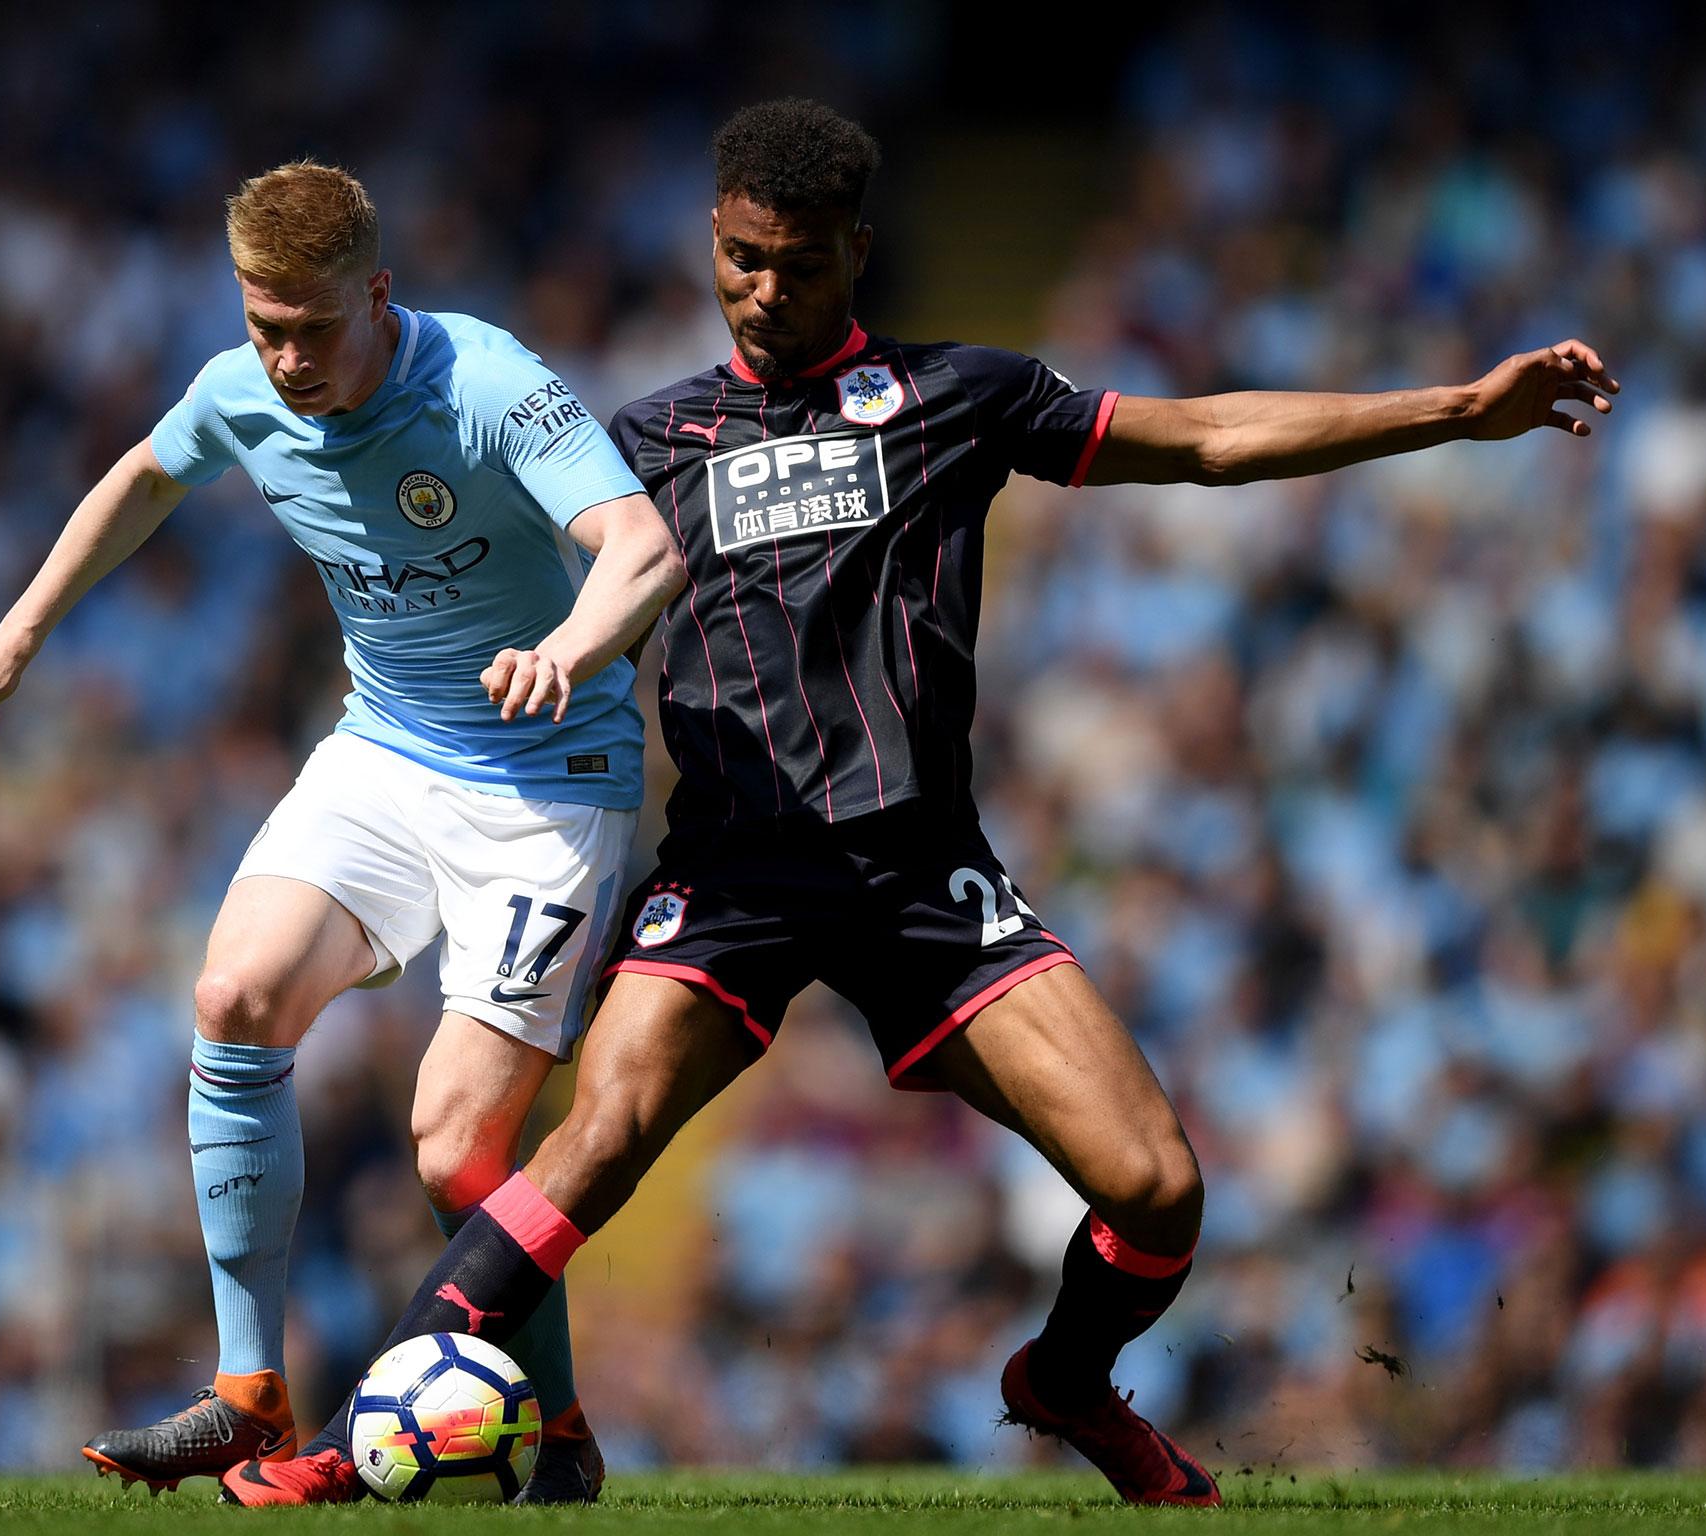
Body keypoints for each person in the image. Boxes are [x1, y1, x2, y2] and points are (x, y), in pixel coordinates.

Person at [217, 101, 1619, 1509]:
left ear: (859, 254)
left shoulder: (960, 396)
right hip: (735, 871)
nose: (771, 291)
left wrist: (1454, 410)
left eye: (805, 264)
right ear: (715, 241)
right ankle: (356, 1441)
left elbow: (1203, 439)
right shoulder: (639, 444)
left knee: (1157, 1190)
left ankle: (1064, 1379)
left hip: (920, 871)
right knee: (598, 1138)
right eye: (748, 259)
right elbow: (466, 565)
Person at [0, 160, 682, 1503]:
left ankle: (555, 1436)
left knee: (456, 1151)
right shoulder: (239, 390)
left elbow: (641, 545)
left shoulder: (486, 383)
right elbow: (142, 479)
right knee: (233, 991)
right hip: (386, 752)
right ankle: (248, 1395)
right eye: (262, 324)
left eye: (312, 327)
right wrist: (17, 633)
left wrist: (566, 645)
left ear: (379, 294)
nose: (283, 358)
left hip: (547, 775)